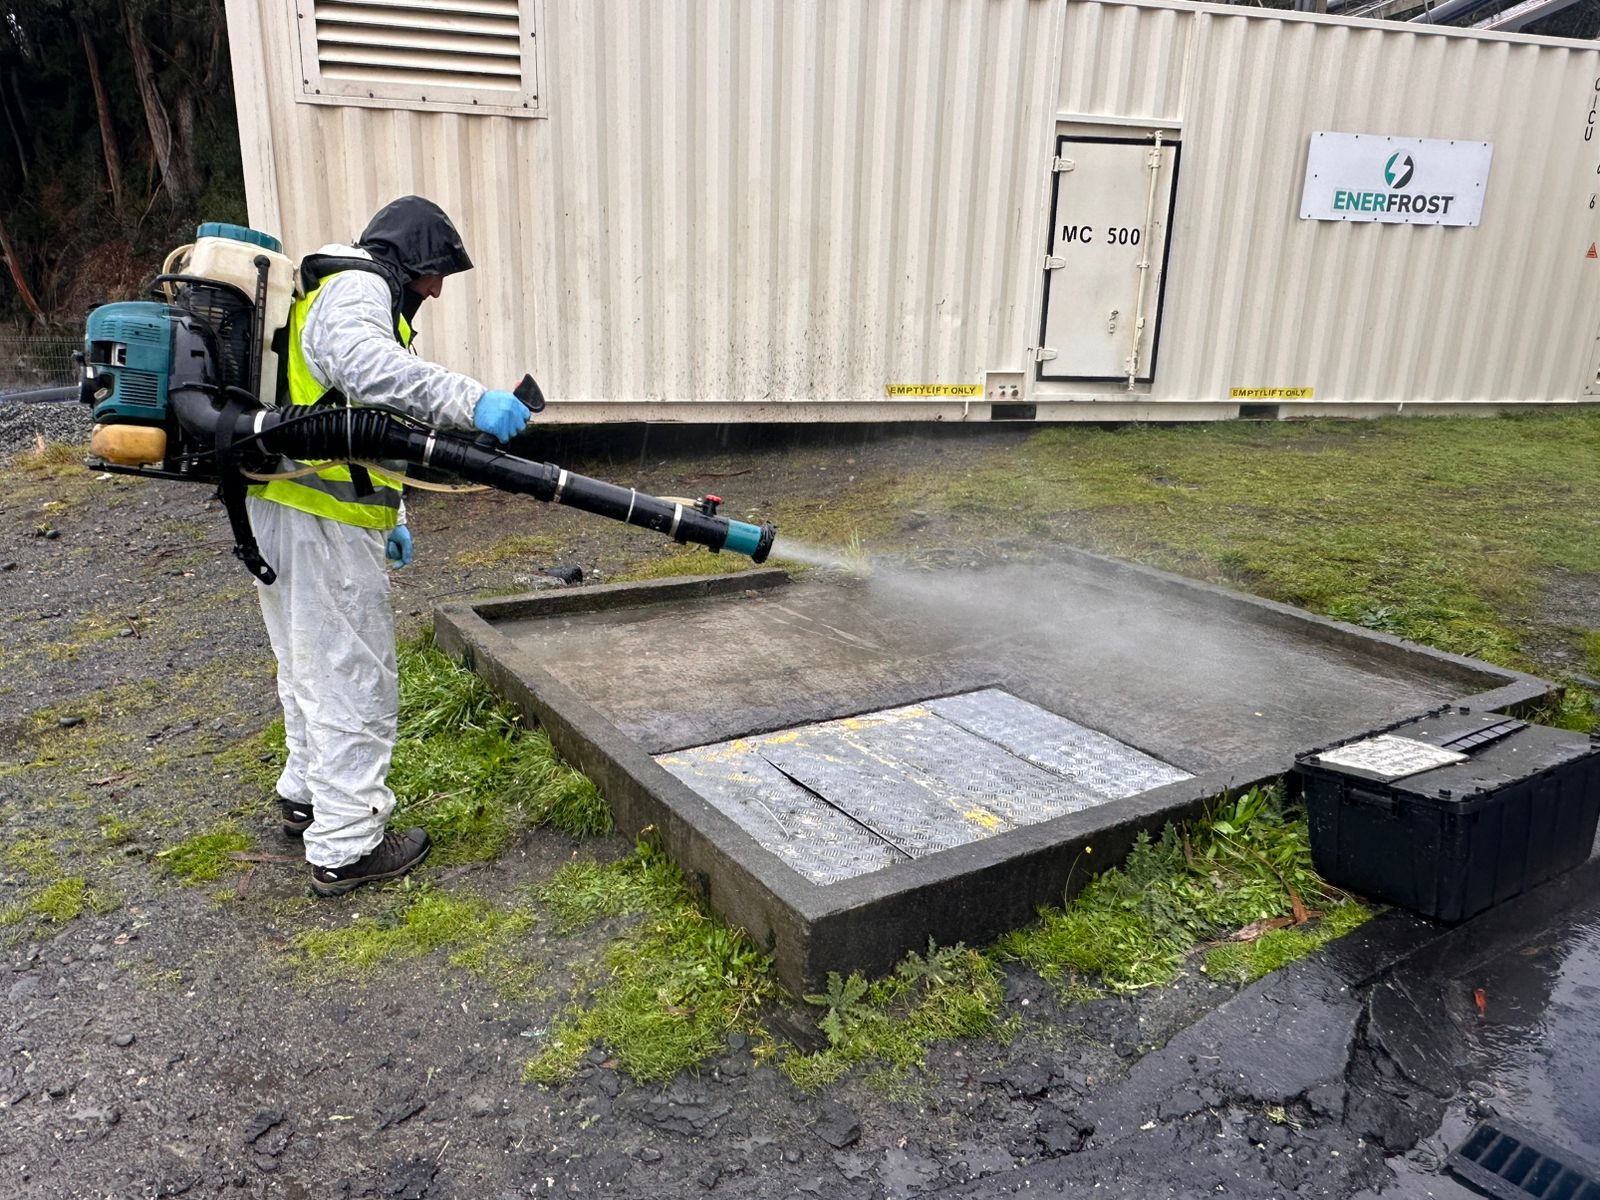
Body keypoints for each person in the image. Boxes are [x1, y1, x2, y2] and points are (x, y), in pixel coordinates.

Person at [245, 196, 532, 897]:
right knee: (354, 677)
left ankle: (306, 795)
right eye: (433, 273)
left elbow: (358, 420)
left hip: (292, 508)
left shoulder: (342, 293)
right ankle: (347, 846)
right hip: (318, 519)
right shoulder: (358, 287)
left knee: (308, 661)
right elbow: (368, 371)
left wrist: (395, 509)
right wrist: (473, 401)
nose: (435, 289)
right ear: (404, 258)